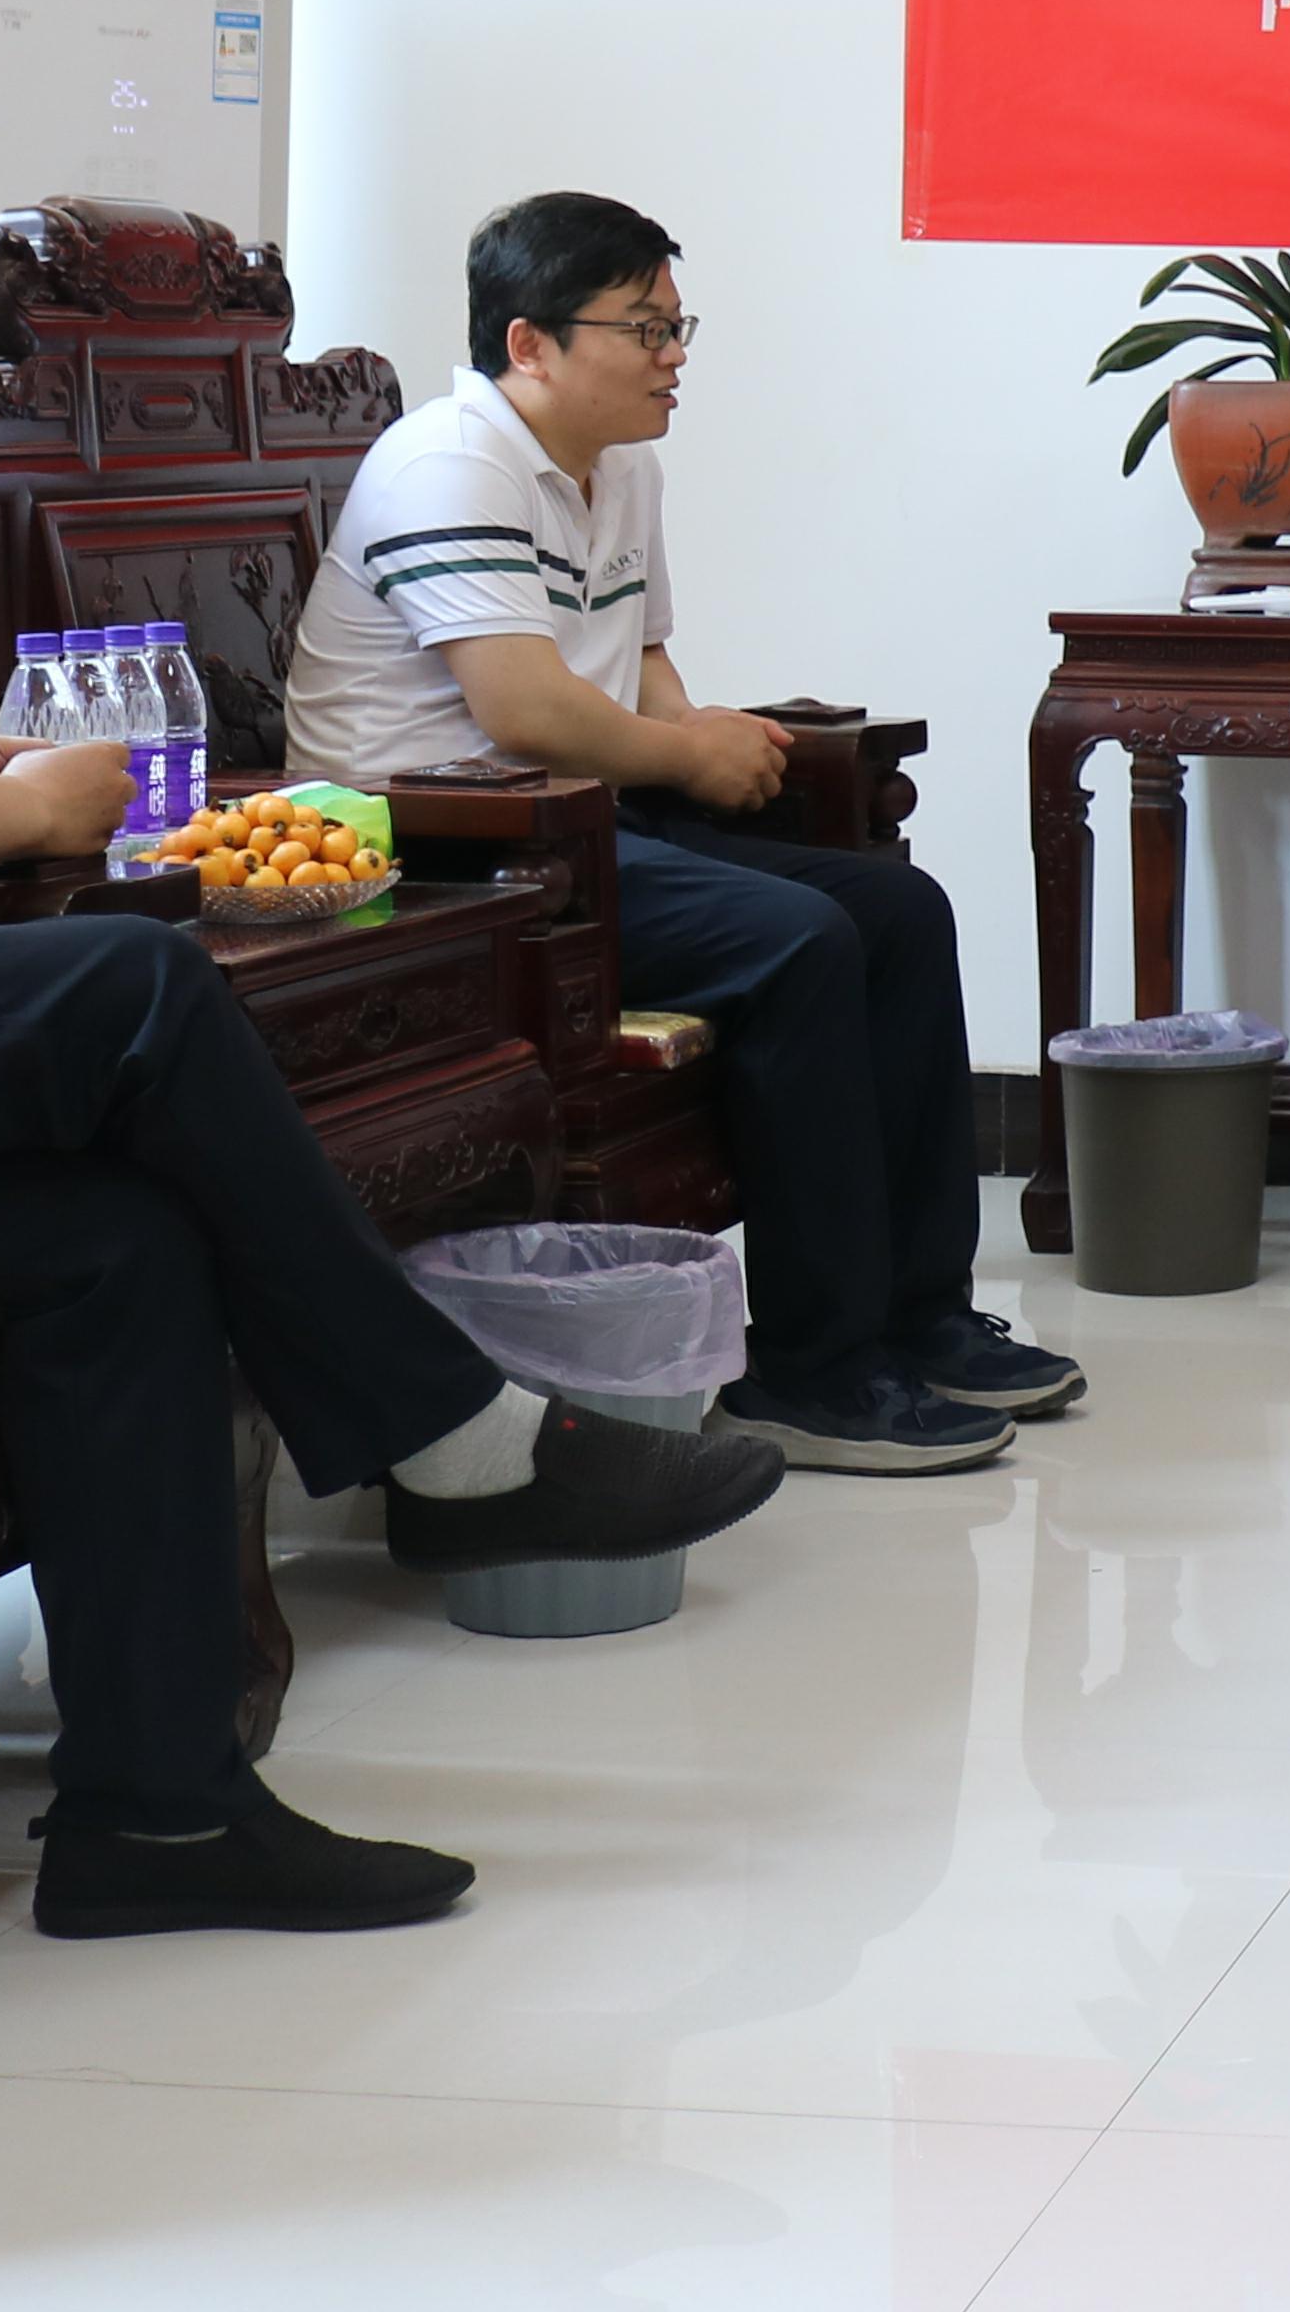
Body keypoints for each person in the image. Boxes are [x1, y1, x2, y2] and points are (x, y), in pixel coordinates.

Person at [0, 78, 780, 1937]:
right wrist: (30, 807)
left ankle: (160, 1814)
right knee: (126, 981)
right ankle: (452, 1436)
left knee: (112, 1244)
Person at [284, 192, 1052, 1476]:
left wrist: (706, 741)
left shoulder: (623, 464)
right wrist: (691, 754)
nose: (673, 355)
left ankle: (919, 1317)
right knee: (798, 940)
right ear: (529, 343)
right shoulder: (450, 464)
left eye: (677, 326)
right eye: (644, 328)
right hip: (445, 859)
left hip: (574, 827)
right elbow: (522, 706)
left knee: (899, 911)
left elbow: (637, 666)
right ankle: (808, 1369)